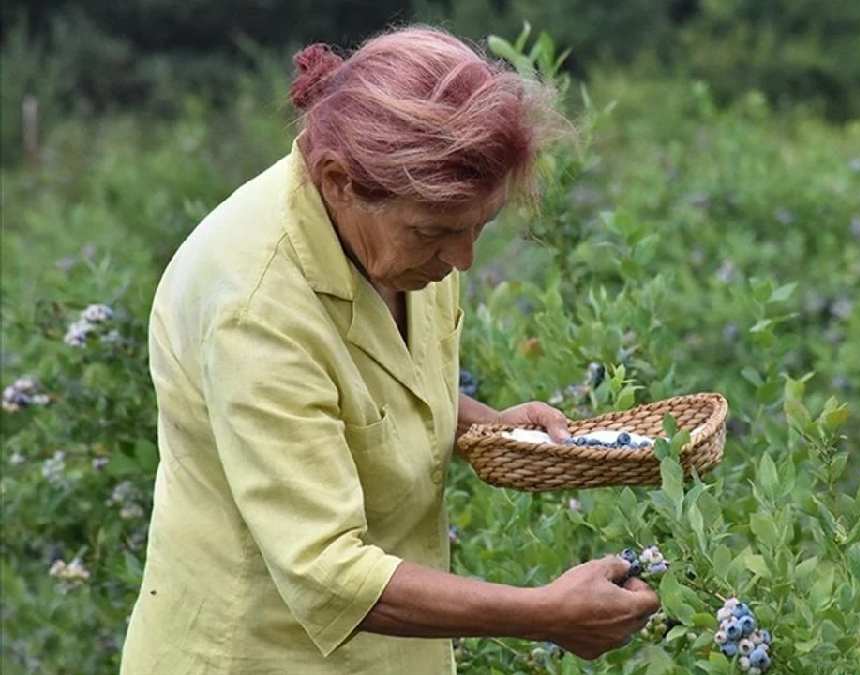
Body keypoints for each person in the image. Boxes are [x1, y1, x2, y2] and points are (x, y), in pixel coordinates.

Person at [120, 25, 659, 674]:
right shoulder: (256, 307)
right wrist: (545, 612)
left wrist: (482, 422)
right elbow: (326, 568)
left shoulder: (403, 239)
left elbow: (370, 387)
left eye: (477, 229)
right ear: (338, 179)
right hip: (262, 653)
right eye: (437, 233)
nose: (461, 259)